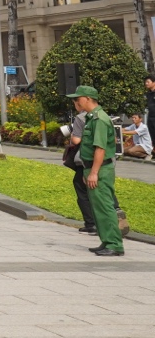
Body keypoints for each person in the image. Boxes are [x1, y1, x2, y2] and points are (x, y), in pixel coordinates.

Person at [69, 85, 122, 256]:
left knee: (105, 207)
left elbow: (100, 148)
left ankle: (114, 244)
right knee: (98, 208)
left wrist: (94, 172)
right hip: (91, 167)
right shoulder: (92, 118)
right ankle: (106, 241)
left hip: (99, 169)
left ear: (88, 99)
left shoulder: (99, 119)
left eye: (78, 98)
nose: (76, 102)